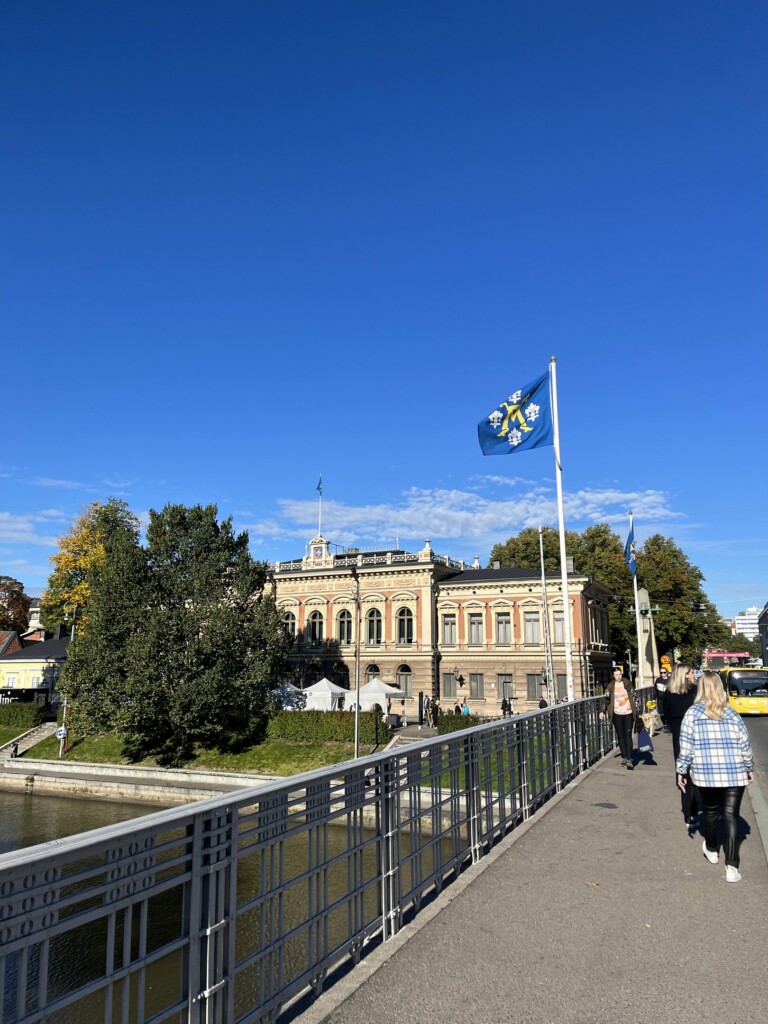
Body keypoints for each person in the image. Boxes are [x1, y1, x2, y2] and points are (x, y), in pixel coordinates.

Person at [676, 670, 754, 882]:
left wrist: (681, 770)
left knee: (710, 812)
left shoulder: (692, 713)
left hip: (705, 773)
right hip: (734, 772)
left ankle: (711, 848)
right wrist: (749, 766)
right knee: (731, 815)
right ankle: (731, 867)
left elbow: (686, 747)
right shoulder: (731, 712)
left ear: (701, 688)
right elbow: (744, 743)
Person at [662, 663, 700, 828]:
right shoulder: (695, 691)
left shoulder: (669, 693)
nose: (694, 674)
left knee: (682, 771)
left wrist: (675, 727)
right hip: (695, 732)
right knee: (696, 770)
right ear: (685, 675)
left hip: (678, 732)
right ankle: (694, 810)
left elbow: (667, 715)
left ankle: (688, 813)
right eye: (692, 672)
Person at [599, 666, 640, 770]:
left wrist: (637, 711)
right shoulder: (610, 686)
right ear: (613, 676)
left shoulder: (627, 683)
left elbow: (634, 697)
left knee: (628, 735)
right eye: (616, 675)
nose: (618, 676)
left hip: (628, 712)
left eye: (620, 674)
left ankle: (630, 759)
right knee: (620, 736)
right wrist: (602, 711)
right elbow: (606, 699)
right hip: (616, 713)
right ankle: (625, 757)